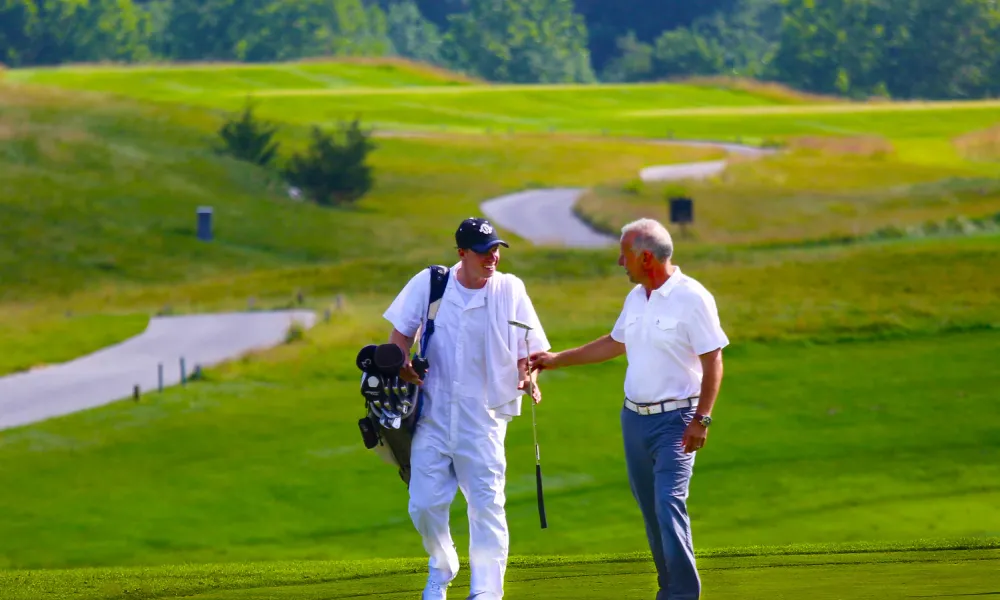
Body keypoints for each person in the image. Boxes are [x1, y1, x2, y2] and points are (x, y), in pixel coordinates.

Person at [530, 217, 728, 600]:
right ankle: (668, 588)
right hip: (633, 420)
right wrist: (556, 360)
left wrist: (702, 419)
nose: (621, 263)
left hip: (678, 420)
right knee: (652, 512)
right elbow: (614, 343)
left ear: (647, 258)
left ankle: (683, 595)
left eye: (625, 255)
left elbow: (713, 360)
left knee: (668, 503)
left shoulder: (693, 298)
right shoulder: (637, 297)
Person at [382, 216, 550, 600]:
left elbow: (529, 350)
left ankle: (486, 592)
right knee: (423, 505)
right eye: (483, 251)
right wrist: (402, 363)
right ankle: (442, 566)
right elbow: (398, 338)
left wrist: (529, 378)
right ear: (462, 253)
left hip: (484, 417)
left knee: (487, 506)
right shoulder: (431, 283)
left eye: (496, 249)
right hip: (432, 415)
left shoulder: (510, 290)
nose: (492, 257)